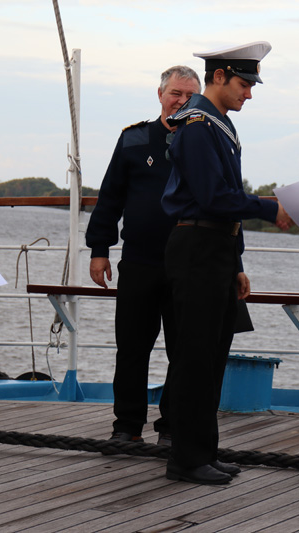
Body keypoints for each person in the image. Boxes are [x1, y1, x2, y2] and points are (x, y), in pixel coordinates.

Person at [161, 41, 291, 485]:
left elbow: (224, 205)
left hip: (215, 248)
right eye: (244, 83)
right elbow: (214, 198)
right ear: (219, 77)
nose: (249, 93)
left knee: (213, 356)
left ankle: (204, 451)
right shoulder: (199, 127)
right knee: (195, 357)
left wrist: (236, 262)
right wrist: (270, 208)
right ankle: (185, 459)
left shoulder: (218, 126)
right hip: (197, 247)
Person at [85, 66, 202, 446]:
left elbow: (223, 206)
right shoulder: (133, 139)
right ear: (160, 94)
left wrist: (236, 263)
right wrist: (99, 250)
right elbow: (110, 198)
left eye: (190, 95)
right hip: (139, 262)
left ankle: (172, 429)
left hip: (188, 265)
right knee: (132, 349)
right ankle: (126, 427)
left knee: (182, 352)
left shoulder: (206, 142)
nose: (182, 101)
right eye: (175, 93)